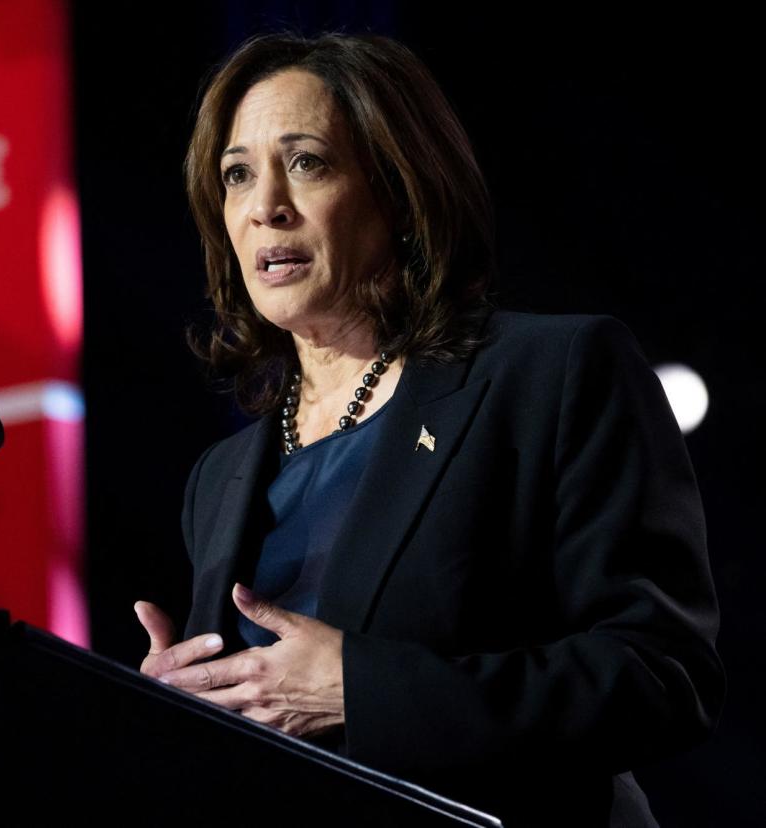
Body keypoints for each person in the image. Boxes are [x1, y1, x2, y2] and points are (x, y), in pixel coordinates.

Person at [132, 33, 723, 826]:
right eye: (237, 175)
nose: (264, 204)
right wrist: (174, 716)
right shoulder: (220, 477)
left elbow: (661, 677)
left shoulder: (551, 374)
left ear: (400, 193)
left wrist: (363, 691)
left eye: (305, 162)